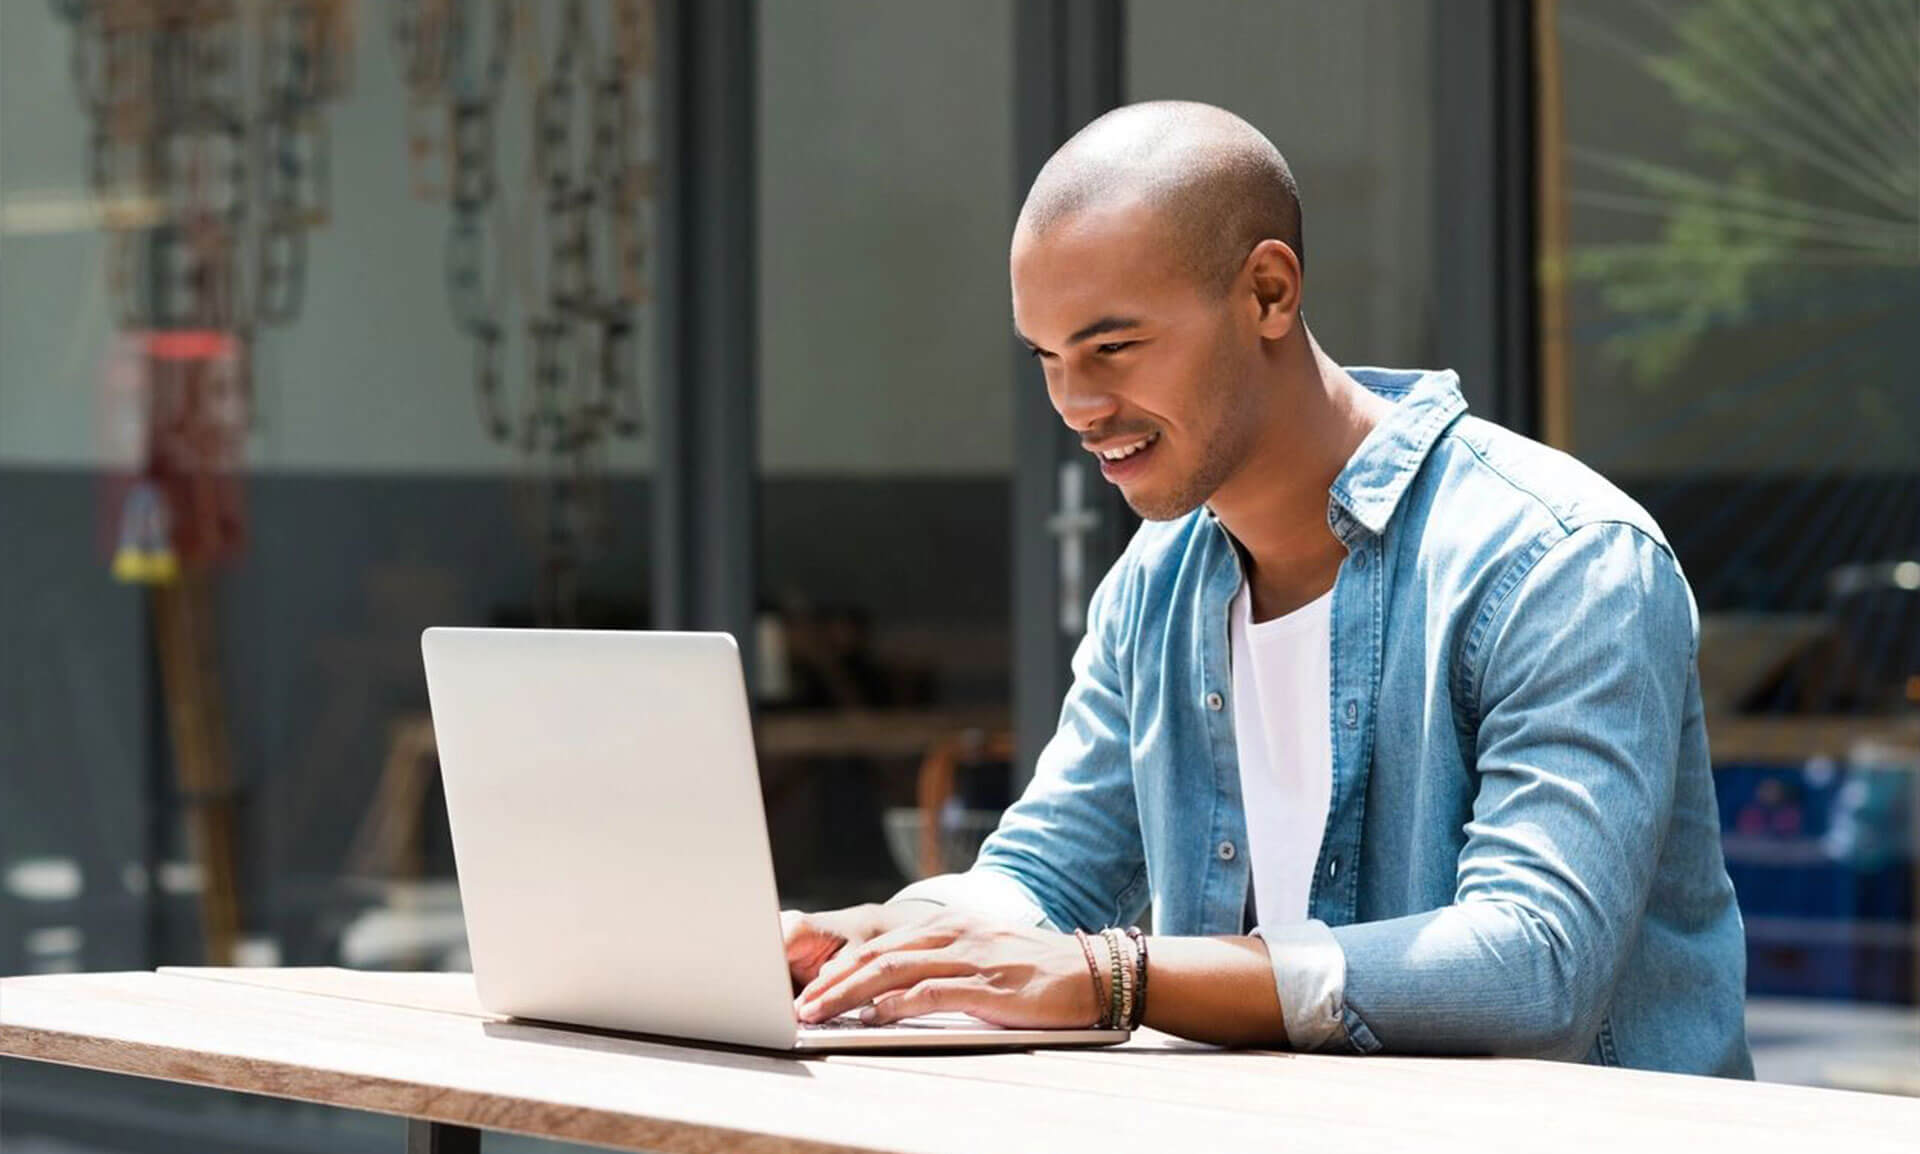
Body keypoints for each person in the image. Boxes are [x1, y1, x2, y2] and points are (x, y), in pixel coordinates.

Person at [783, 101, 1752, 1077]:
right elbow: (1047, 873)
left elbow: (1535, 963)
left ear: (1269, 292)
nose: (1075, 404)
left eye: (1112, 347)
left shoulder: (1558, 559)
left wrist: (1117, 975)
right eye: (1047, 357)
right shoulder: (1155, 589)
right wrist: (880, 939)